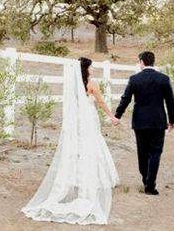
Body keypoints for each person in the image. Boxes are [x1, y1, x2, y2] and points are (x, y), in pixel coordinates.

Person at [21, 57, 120, 225]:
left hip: (77, 121)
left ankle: (77, 178)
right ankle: (93, 179)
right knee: (92, 147)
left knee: (80, 149)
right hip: (89, 119)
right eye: (91, 67)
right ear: (86, 68)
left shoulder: (74, 84)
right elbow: (101, 101)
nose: (92, 69)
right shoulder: (91, 83)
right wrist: (111, 116)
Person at [114, 51, 174, 195]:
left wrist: (118, 115)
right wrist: (172, 120)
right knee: (155, 152)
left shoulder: (135, 79)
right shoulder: (164, 79)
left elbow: (126, 99)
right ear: (153, 61)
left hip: (140, 121)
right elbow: (170, 102)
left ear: (142, 62)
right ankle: (150, 185)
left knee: (142, 152)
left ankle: (145, 179)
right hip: (158, 121)